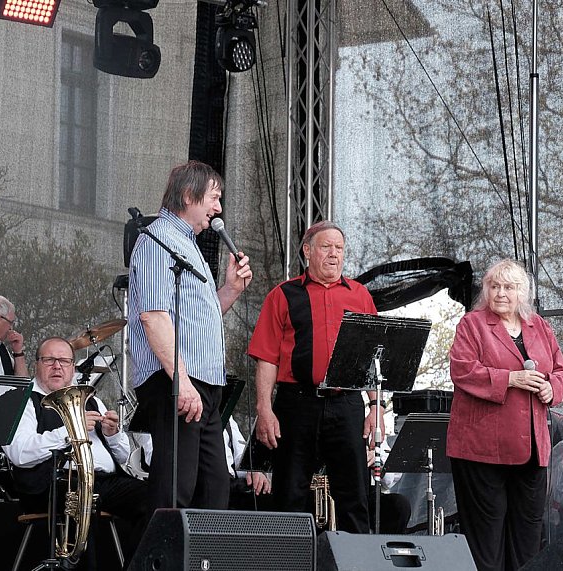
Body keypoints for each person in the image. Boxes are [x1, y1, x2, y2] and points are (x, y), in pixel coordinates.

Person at [128, 160, 253, 514]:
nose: (218, 208)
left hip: (205, 385)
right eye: (213, 198)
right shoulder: (158, 240)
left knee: (214, 488)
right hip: (178, 382)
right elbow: (153, 316)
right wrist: (181, 381)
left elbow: (196, 318)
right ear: (187, 195)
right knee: (175, 490)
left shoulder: (188, 244)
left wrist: (229, 289)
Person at [249, 220, 382, 534]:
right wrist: (264, 409)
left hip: (347, 403)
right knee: (289, 494)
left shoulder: (360, 295)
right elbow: (266, 357)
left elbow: (373, 358)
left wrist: (376, 407)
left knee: (355, 496)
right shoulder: (283, 295)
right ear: (307, 251)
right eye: (326, 247)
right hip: (297, 403)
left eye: (339, 248)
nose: (334, 254)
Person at [447, 259, 563, 571]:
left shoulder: (539, 326)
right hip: (481, 449)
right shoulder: (472, 325)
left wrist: (551, 390)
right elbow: (462, 370)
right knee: (486, 538)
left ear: (523, 293)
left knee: (528, 536)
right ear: (486, 291)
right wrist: (509, 379)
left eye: (509, 287)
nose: (501, 293)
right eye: (494, 286)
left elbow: (560, 369)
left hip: (530, 450)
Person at [2, 337, 148, 567]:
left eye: (64, 361)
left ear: (73, 367)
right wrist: (71, 430)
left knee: (156, 499)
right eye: (49, 360)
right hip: (54, 484)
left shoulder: (92, 401)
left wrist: (112, 435)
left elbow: (123, 458)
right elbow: (19, 453)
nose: (57, 366)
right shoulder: (23, 400)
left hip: (104, 481)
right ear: (36, 364)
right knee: (82, 501)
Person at [223, 417, 272, 511]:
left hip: (231, 483)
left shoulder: (228, 419)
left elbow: (240, 452)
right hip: (209, 479)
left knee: (261, 488)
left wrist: (253, 469)